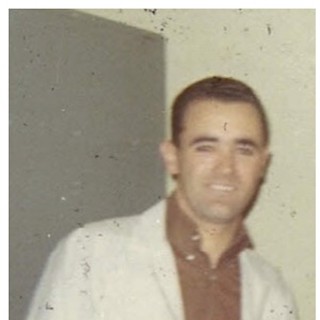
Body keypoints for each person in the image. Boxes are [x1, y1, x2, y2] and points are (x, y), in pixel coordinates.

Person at [26, 76, 298, 320]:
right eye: (205, 148)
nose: (226, 168)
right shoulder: (91, 254)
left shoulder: (272, 290)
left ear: (263, 165)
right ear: (172, 157)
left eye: (244, 150)